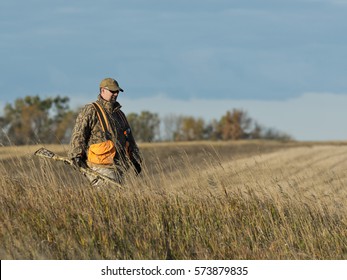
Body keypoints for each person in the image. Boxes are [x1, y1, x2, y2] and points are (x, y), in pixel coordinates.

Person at [68, 77, 142, 186]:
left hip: (119, 167)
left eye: (117, 91)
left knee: (116, 200)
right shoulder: (91, 110)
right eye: (112, 91)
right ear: (102, 90)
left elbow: (129, 138)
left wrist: (135, 159)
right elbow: (79, 134)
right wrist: (76, 155)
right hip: (99, 167)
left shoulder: (120, 114)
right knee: (108, 198)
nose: (116, 94)